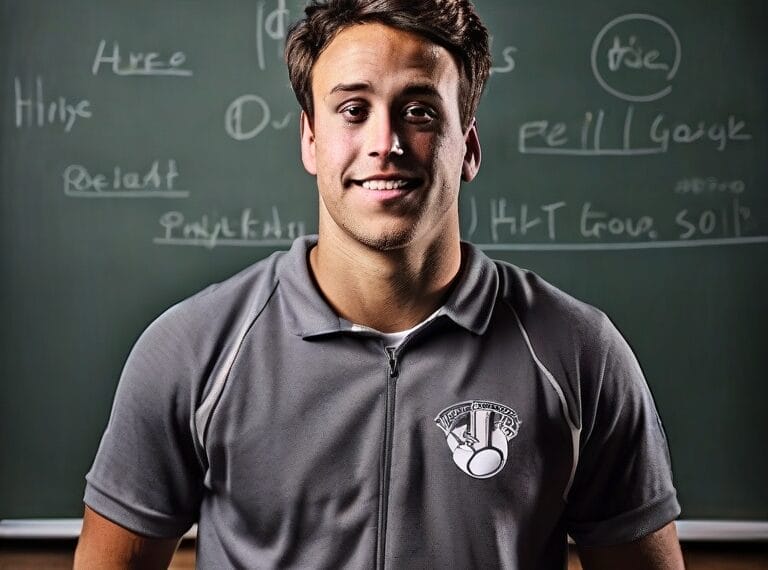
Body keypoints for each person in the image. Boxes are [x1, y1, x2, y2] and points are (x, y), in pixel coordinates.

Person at [75, 0, 684, 568]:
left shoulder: (579, 352)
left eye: (419, 110)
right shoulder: (191, 349)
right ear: (310, 139)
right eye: (352, 109)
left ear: (468, 146)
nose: (385, 144)